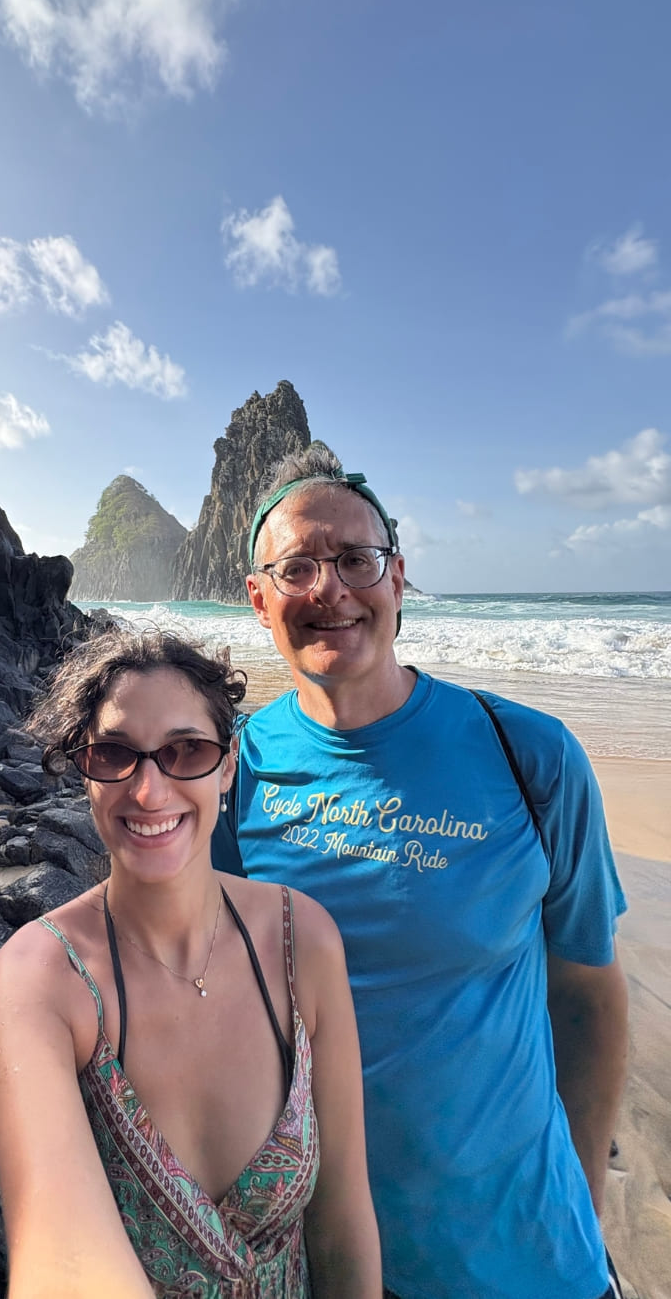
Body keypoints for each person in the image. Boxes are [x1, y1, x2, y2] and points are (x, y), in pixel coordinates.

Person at [213, 446, 629, 1299]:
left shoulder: (532, 755)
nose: (330, 588)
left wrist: (583, 1195)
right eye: (297, 567)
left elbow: (589, 991)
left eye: (355, 560)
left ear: (398, 577)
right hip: (325, 1262)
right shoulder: (228, 775)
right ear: (260, 599)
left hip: (526, 1255)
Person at [0, 629, 382, 1298]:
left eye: (185, 750)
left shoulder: (301, 941)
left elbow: (341, 1219)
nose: (149, 788)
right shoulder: (39, 983)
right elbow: (61, 1261)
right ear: (85, 768)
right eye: (114, 753)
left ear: (226, 765)